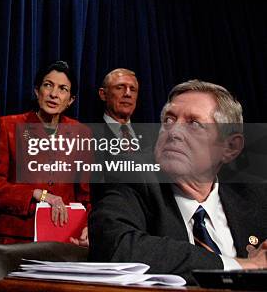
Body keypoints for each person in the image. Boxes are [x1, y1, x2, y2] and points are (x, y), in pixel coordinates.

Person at [89, 80, 267, 282]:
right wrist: (238, 265)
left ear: (230, 147)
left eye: (194, 123)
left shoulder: (255, 193)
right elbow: (115, 247)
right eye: (169, 120)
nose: (174, 132)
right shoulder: (132, 178)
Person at [0, 61, 90, 245]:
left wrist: (87, 225)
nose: (54, 94)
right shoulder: (9, 127)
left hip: (66, 238)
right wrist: (37, 194)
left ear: (70, 100)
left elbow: (86, 196)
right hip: (17, 239)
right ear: (37, 90)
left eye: (63, 89)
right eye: (48, 85)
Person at [99, 68, 139, 138]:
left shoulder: (151, 134)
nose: (128, 94)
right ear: (103, 94)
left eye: (133, 89)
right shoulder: (87, 134)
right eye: (120, 88)